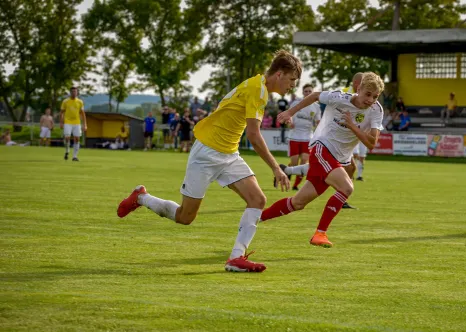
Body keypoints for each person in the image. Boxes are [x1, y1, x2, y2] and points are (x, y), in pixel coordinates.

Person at [117, 50, 300, 273]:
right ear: (279, 74)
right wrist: (276, 168)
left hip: (229, 154)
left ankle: (236, 258)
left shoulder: (258, 86)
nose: (292, 86)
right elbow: (253, 134)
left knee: (257, 199)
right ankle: (141, 197)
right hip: (207, 152)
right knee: (185, 217)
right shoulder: (257, 90)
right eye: (292, 80)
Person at [261, 72, 384, 248]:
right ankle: (320, 233)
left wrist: (352, 126)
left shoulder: (376, 110)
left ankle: (256, 218)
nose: (370, 100)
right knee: (347, 187)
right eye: (368, 94)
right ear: (359, 88)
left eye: (375, 96)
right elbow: (315, 96)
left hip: (338, 159)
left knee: (298, 203)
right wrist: (290, 111)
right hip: (322, 147)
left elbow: (371, 143)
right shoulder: (339, 98)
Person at [287, 83, 321, 190]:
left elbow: (318, 121)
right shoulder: (296, 103)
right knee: (294, 162)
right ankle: (285, 172)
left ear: (313, 92)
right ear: (302, 92)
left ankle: (295, 185)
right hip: (295, 136)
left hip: (308, 138)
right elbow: (289, 115)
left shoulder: (316, 107)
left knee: (304, 161)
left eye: (310, 91)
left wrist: (318, 125)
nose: (307, 93)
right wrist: (290, 122)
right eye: (306, 91)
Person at [60, 87, 86, 161]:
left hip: (77, 122)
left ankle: (74, 156)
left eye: (75, 91)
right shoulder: (65, 101)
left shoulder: (80, 102)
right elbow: (61, 113)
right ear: (70, 93)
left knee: (77, 139)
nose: (74, 93)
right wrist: (61, 122)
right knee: (67, 138)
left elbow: (83, 114)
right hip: (67, 122)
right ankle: (67, 150)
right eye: (72, 91)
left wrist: (85, 124)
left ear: (77, 93)